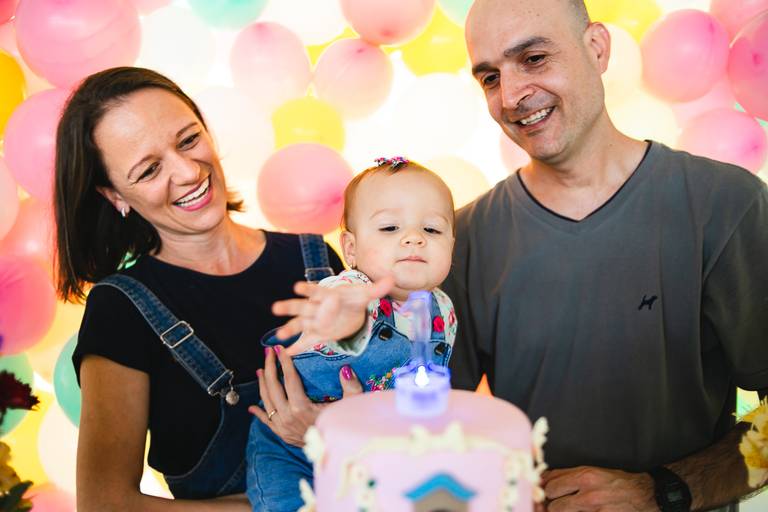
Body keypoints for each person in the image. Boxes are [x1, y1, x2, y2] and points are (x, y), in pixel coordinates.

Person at [441, 0, 768, 510]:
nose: (510, 96)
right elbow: (432, 430)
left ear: (597, 48)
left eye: (533, 59)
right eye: (489, 77)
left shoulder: (726, 204)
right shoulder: (459, 240)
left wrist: (664, 490)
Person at [54, 66, 356, 511]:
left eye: (188, 140)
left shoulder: (316, 261)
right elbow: (105, 505)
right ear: (114, 195)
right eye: (149, 170)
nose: (188, 171)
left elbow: (388, 412)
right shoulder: (121, 310)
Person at [245, 158, 458, 512]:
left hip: (377, 444)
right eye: (390, 227)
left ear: (452, 243)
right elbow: (344, 308)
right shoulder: (353, 289)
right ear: (351, 249)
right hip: (293, 452)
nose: (414, 238)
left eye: (432, 229)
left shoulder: (443, 310)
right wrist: (346, 320)